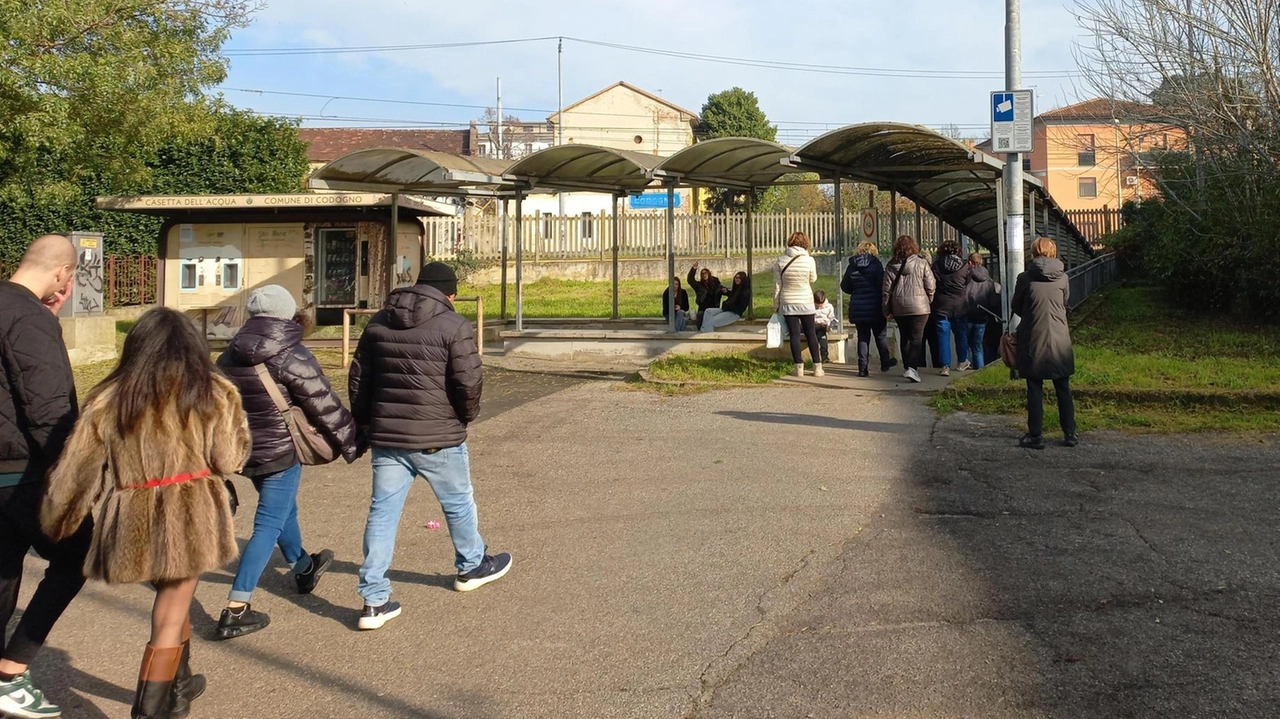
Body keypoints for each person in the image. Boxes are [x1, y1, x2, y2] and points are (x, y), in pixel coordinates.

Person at [41, 307, 250, 719]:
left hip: (129, 517)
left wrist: (59, 521)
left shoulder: (109, 398)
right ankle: (148, 711)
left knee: (173, 596)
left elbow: (77, 474)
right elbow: (229, 458)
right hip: (192, 514)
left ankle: (180, 686)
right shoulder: (214, 392)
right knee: (171, 611)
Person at [349, 262, 510, 632]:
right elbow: (468, 382)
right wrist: (464, 418)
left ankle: (373, 600)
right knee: (457, 503)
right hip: (439, 436)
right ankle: (471, 567)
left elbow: (360, 378)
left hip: (388, 436)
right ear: (449, 294)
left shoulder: (377, 322)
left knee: (382, 513)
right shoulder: (455, 325)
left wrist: (365, 422)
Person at [214, 286, 361, 640]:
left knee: (283, 511)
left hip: (245, 451)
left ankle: (303, 567)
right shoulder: (291, 353)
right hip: (280, 451)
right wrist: (352, 441)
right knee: (268, 522)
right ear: (287, 313)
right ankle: (236, 607)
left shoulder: (227, 356)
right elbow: (322, 402)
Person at [0, 235, 88, 719]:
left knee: (4, 569)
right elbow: (49, 410)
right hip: (25, 473)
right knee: (80, 553)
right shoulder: (29, 318)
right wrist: (73, 477)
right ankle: (11, 670)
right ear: (61, 275)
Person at [1012, 238, 1078, 450]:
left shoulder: (1024, 278)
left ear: (1033, 252)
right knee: (1063, 388)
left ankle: (1035, 435)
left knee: (1034, 387)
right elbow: (1065, 302)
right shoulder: (1063, 277)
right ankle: (1070, 434)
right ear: (1053, 253)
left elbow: (1017, 307)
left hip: (1034, 337)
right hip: (1059, 338)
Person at [882, 235, 935, 383]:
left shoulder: (891, 265)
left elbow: (886, 290)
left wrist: (887, 310)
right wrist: (928, 300)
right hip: (920, 307)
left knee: (905, 337)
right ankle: (912, 368)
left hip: (899, 307)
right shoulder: (922, 263)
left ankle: (908, 367)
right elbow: (931, 285)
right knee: (916, 338)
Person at [841, 240, 897, 377]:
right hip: (876, 306)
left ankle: (862, 368)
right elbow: (882, 285)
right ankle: (885, 362)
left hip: (858, 306)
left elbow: (845, 286)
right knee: (880, 335)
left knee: (863, 337)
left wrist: (857, 291)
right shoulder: (876, 264)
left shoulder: (852, 266)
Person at [773, 232, 823, 378]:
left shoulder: (780, 260)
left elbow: (777, 285)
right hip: (806, 300)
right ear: (806, 243)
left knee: (794, 335)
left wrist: (776, 304)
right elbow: (813, 279)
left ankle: (798, 368)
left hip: (788, 301)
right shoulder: (809, 260)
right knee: (811, 333)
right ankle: (817, 368)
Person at [930, 239, 971, 377]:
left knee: (943, 336)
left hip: (941, 305)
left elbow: (932, 284)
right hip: (960, 305)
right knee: (961, 335)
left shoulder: (936, 266)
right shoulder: (965, 267)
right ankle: (961, 362)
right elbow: (968, 283)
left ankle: (945, 366)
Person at [963, 253, 1001, 370]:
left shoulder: (966, 279)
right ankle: (979, 372)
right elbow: (994, 302)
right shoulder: (989, 282)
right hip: (983, 318)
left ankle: (965, 370)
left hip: (967, 316)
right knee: (977, 348)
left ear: (970, 263)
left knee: (965, 346)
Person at [685, 262, 724, 329]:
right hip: (703, 309)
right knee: (700, 315)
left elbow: (723, 289)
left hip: (714, 308)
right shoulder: (699, 286)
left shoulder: (716, 284)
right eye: (702, 274)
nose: (704, 275)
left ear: (709, 274)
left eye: (705, 273)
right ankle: (700, 330)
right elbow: (690, 280)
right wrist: (693, 269)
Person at [813, 291, 836, 365]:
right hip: (813, 326)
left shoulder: (829, 307)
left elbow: (832, 319)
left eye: (821, 305)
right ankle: (822, 357)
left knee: (822, 336)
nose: (819, 307)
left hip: (823, 327)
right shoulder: (810, 306)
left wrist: (829, 326)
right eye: (817, 306)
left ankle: (824, 357)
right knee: (819, 333)